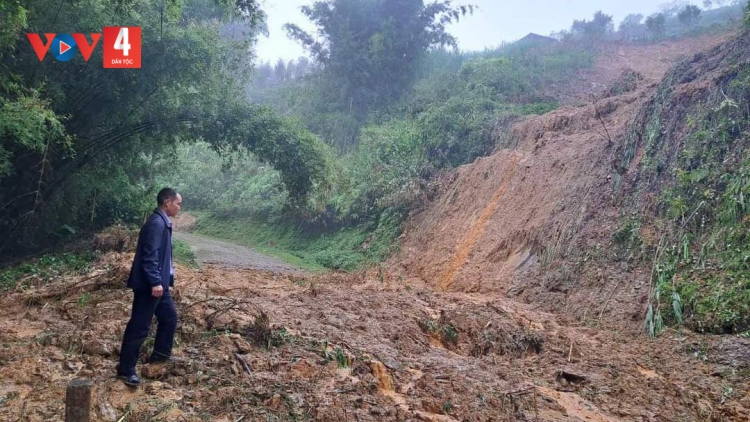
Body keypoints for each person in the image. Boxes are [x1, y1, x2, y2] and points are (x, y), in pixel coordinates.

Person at [117, 188, 182, 386]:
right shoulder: (156, 223)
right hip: (150, 286)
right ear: (167, 202)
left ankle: (159, 360)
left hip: (160, 285)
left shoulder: (162, 222)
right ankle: (125, 370)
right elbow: (149, 254)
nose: (179, 207)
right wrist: (154, 281)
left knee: (169, 318)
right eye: (178, 203)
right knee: (139, 326)